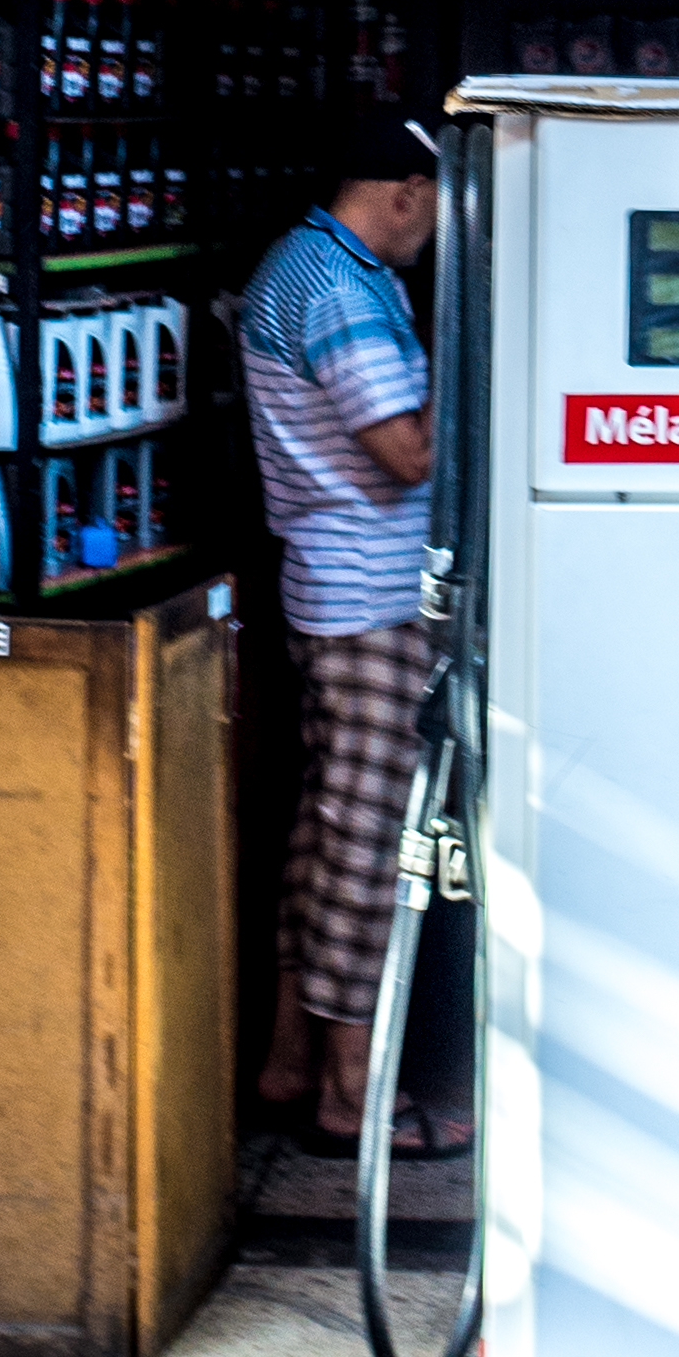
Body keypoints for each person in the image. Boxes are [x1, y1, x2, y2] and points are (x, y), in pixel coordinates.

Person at [238, 115, 456, 1151]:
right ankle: (349, 1094)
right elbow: (405, 453)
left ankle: (287, 1066)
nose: (434, 226)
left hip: (338, 592)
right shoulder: (338, 288)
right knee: (367, 848)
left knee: (325, 839)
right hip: (366, 601)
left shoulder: (312, 265)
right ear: (406, 189)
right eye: (435, 201)